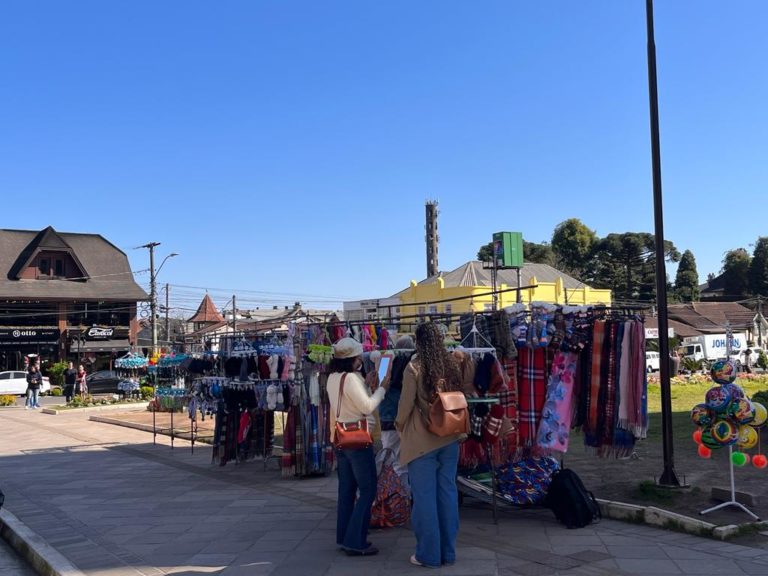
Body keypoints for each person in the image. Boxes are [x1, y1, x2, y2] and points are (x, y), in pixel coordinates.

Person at [396, 322, 464, 568]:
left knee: (424, 498)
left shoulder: (414, 367)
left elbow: (405, 406)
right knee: (447, 493)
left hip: (423, 441)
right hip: (450, 437)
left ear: (418, 342)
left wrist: (399, 424)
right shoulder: (452, 364)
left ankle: (428, 554)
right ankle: (448, 552)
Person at [327, 337, 389, 557]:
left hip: (341, 438)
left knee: (346, 491)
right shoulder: (351, 378)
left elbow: (349, 403)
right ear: (354, 359)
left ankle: (345, 536)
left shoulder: (333, 378)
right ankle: (355, 540)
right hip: (358, 440)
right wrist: (381, 389)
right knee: (368, 489)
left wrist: (366, 383)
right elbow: (367, 406)